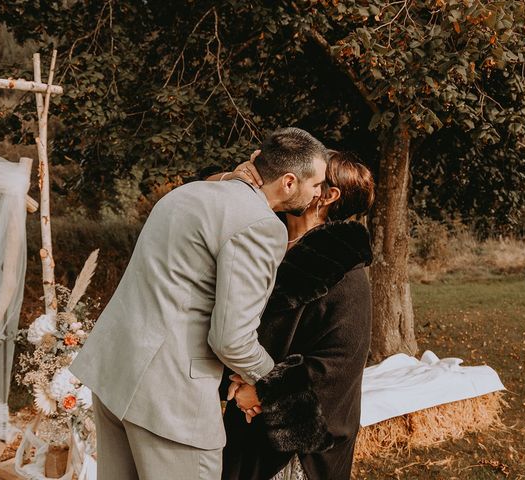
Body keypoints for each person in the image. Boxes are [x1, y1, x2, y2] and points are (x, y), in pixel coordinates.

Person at [70, 127, 330, 480]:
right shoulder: (262, 227)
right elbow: (232, 339)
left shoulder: (187, 194)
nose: (319, 194)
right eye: (316, 184)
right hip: (170, 401)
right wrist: (264, 384)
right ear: (288, 182)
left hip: (115, 375)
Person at [221, 151, 375, 480]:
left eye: (313, 175)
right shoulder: (266, 242)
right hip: (245, 427)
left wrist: (262, 391)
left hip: (297, 450)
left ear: (327, 195)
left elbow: (339, 364)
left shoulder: (345, 272)